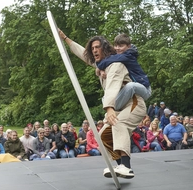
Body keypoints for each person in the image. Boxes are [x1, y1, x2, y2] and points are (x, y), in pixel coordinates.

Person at [59, 30, 146, 179]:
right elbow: (82, 54)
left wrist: (109, 108)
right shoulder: (101, 65)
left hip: (133, 102)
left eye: (97, 47)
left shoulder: (116, 63)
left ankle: (126, 166)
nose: (94, 51)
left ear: (104, 48)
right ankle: (119, 165)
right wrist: (65, 38)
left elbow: (112, 86)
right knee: (104, 135)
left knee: (119, 124)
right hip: (118, 106)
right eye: (92, 49)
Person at [96, 33, 151, 111]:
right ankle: (114, 105)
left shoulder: (128, 56)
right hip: (132, 87)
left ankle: (114, 107)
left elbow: (105, 61)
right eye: (116, 45)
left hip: (145, 89)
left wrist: (99, 67)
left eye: (121, 46)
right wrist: (101, 70)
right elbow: (102, 60)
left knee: (131, 86)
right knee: (105, 97)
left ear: (128, 46)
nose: (117, 48)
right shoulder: (120, 55)